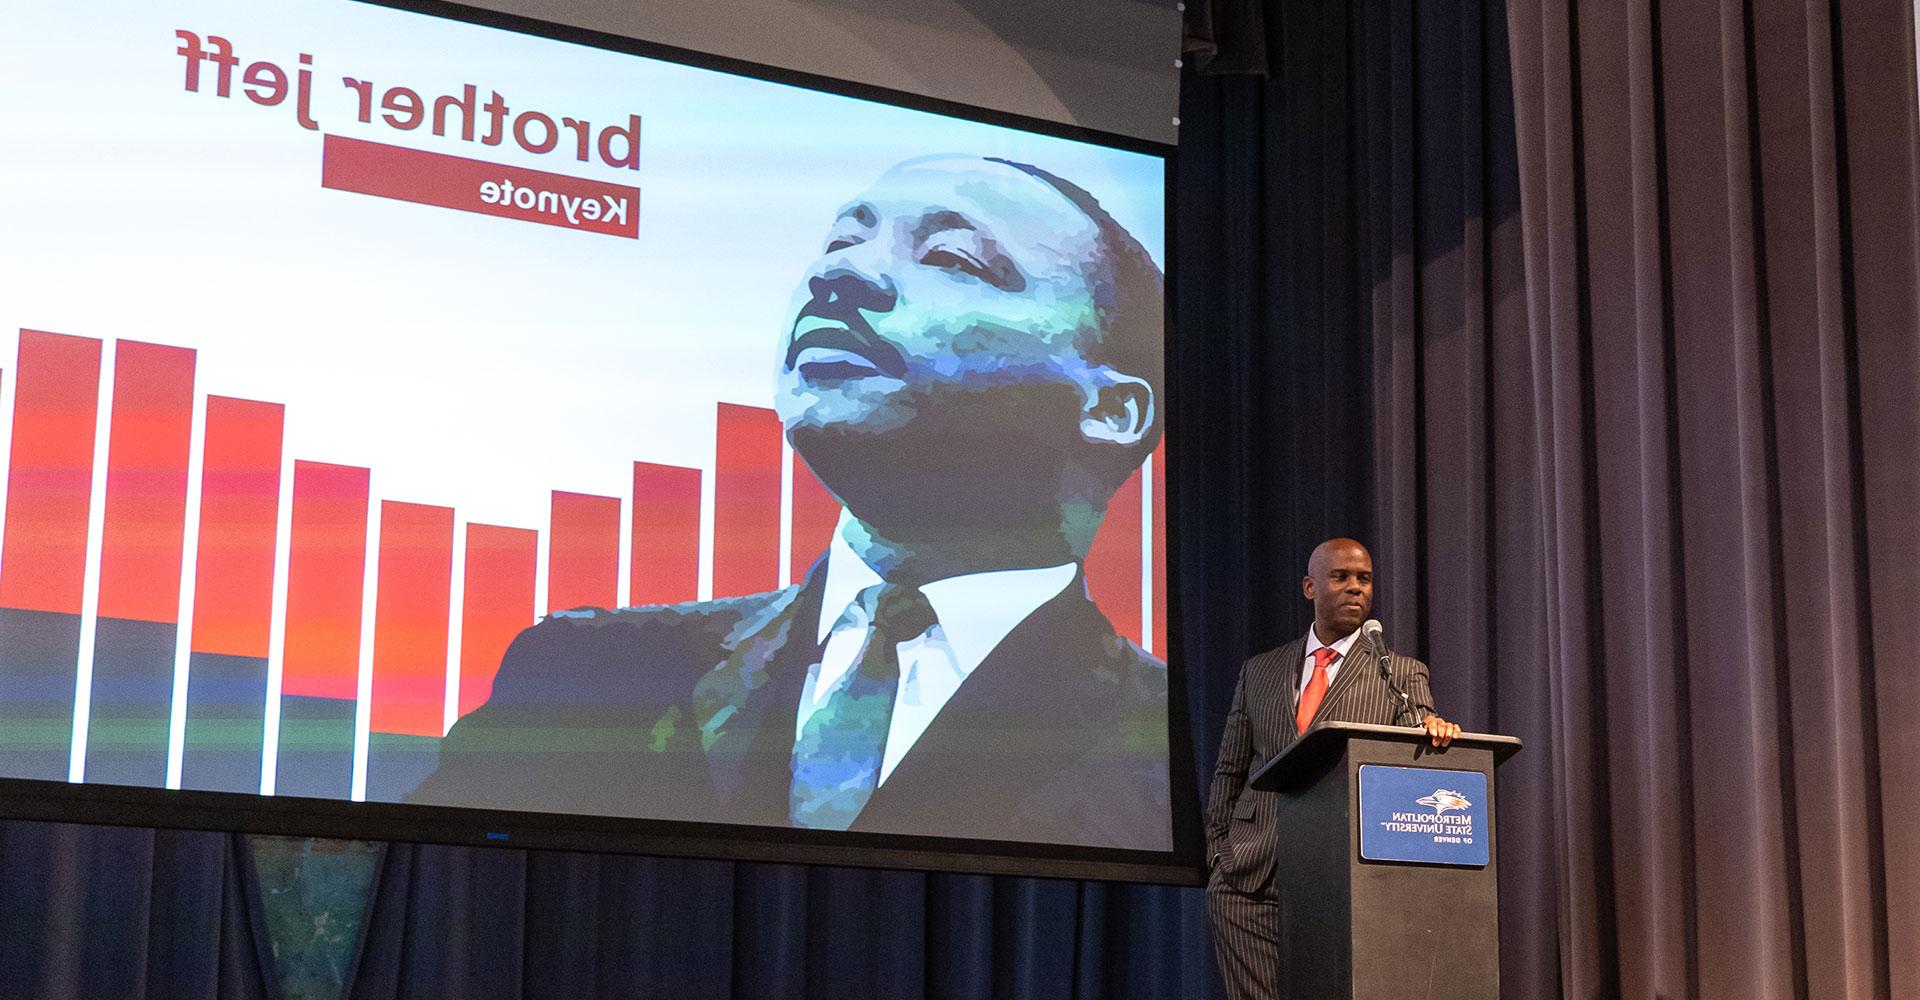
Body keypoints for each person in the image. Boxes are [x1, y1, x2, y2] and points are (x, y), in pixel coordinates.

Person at [408, 155, 1170, 850]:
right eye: (841, 242)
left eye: (950, 258)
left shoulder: (1173, 749)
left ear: (1109, 410)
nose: (838, 277)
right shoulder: (589, 675)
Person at [1205, 538, 1461, 999]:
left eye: (1363, 579)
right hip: (1249, 876)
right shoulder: (1260, 671)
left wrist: (1432, 728)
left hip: (1340, 876)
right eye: (1340, 577)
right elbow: (1230, 769)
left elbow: (1419, 730)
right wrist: (1219, 855)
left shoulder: (1397, 672)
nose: (1355, 589)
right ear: (1310, 586)